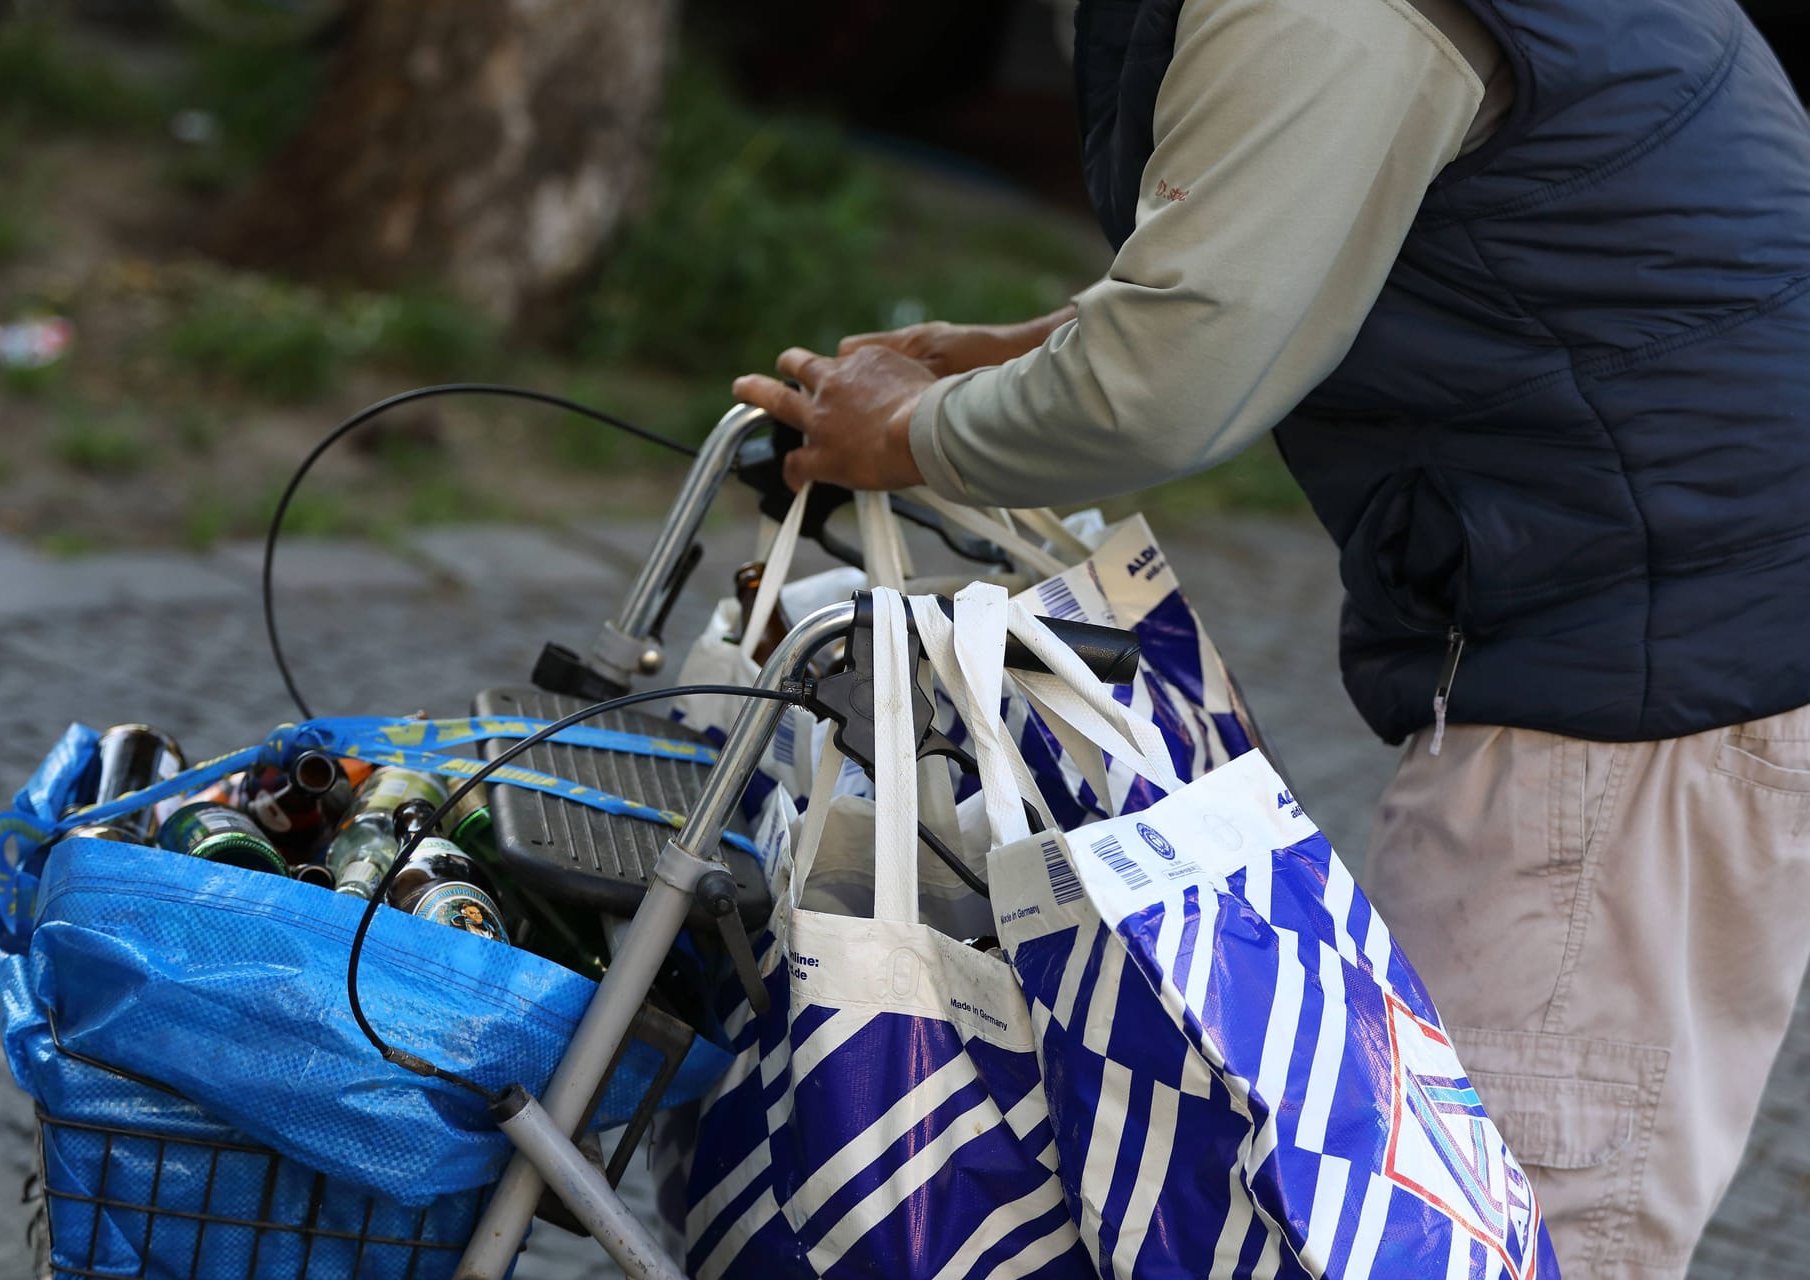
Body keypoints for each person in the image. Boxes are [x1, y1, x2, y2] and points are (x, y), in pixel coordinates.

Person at [730, 0, 1810, 1274]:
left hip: (1652, 641)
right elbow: (1297, 215)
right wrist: (1014, 359)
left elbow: (1174, 373)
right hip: (1648, 601)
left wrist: (919, 433)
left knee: (1479, 1226)